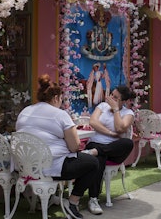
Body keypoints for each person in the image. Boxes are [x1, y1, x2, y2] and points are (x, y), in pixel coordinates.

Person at [16, 74, 100, 219]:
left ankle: (52, 198)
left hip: (26, 166)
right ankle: (72, 202)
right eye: (61, 99)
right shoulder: (60, 115)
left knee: (80, 158)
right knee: (93, 163)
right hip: (51, 167)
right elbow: (74, 146)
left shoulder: (25, 111)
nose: (61, 102)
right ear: (56, 98)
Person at [84, 85, 135, 215]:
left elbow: (120, 128)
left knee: (128, 143)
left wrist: (116, 110)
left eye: (116, 97)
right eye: (112, 94)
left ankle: (98, 152)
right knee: (99, 158)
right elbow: (93, 122)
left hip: (114, 150)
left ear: (123, 101)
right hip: (95, 144)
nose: (111, 98)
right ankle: (93, 199)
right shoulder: (102, 106)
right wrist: (110, 134)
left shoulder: (128, 113)